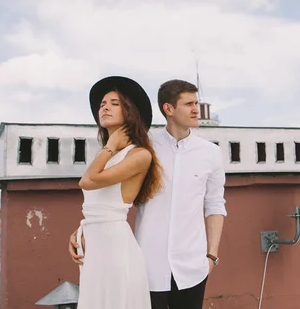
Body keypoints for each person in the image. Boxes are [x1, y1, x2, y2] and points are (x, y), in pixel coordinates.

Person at [70, 79, 227, 309]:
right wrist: (83, 230)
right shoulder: (144, 146)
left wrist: (211, 256)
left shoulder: (211, 153)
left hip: (192, 266)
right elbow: (112, 194)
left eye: (197, 103)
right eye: (189, 104)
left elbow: (214, 205)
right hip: (148, 263)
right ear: (169, 109)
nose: (196, 109)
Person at [73, 75, 163, 309]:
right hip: (94, 248)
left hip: (115, 249)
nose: (105, 107)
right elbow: (97, 203)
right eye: (102, 104)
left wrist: (111, 144)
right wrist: (79, 232)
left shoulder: (140, 155)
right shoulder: (105, 155)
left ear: (130, 112)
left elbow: (87, 181)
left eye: (114, 103)